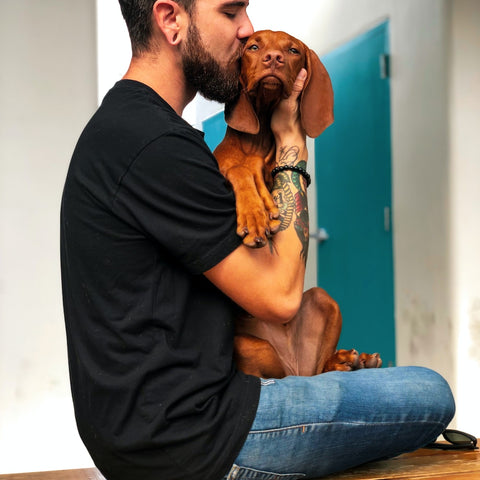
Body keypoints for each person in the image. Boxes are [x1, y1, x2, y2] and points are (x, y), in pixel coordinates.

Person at [60, 1, 455, 480]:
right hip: (196, 436)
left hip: (156, 430)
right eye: (231, 12)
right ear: (171, 20)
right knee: (429, 392)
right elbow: (282, 297)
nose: (247, 29)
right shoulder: (153, 145)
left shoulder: (131, 130)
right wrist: (291, 143)